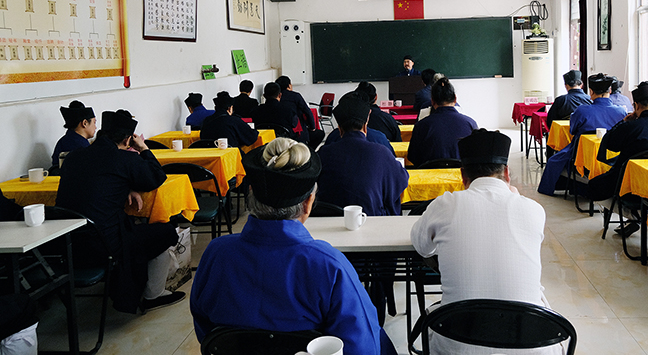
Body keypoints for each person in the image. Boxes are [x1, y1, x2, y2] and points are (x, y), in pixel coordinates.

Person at [190, 138, 396, 355]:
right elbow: (363, 347)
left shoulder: (216, 254)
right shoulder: (330, 266)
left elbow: (207, 332)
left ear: (251, 193)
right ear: (308, 203)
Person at [411, 129, 557, 355]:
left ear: (462, 176)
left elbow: (421, 246)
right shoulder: (533, 210)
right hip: (530, 342)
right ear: (506, 173)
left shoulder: (445, 205)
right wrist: (516, 196)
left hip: (457, 343)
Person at [56, 109, 182, 313]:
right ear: (127, 140)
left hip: (67, 243)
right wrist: (143, 149)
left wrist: (127, 187)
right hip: (103, 244)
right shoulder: (124, 159)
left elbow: (97, 180)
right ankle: (153, 295)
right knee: (166, 231)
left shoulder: (73, 157)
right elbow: (156, 177)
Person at [586, 81, 648, 201]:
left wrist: (624, 122)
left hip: (629, 189)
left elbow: (610, 144)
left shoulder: (631, 127)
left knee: (593, 186)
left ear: (636, 106)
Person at [316, 93, 408, 216]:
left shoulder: (324, 153)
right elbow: (401, 179)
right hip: (371, 218)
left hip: (329, 220)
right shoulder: (380, 152)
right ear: (365, 126)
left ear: (339, 129)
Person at [537, 73, 627, 196]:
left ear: (591, 91)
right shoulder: (621, 111)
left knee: (553, 161)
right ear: (610, 90)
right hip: (612, 155)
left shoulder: (582, 110)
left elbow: (572, 130)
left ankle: (551, 189)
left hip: (582, 151)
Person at [407, 77, 478, 166]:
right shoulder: (470, 123)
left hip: (430, 173)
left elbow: (413, 156)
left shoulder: (421, 125)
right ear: (455, 99)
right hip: (461, 173)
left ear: (432, 101)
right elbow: (476, 155)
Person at [276, 75, 324, 150]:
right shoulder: (295, 96)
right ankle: (308, 150)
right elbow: (307, 112)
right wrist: (312, 127)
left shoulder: (276, 97)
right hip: (296, 131)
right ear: (289, 85)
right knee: (319, 134)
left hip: (279, 132)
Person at [51, 100, 96, 169]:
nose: (95, 127)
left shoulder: (63, 141)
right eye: (94, 123)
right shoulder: (81, 147)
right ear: (85, 123)